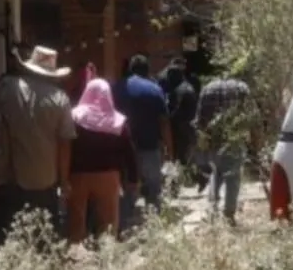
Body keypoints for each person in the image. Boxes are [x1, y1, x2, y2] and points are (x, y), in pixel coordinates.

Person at [0, 45, 75, 247]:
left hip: (10, 175)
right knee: (43, 238)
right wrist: (64, 181)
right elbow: (65, 144)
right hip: (45, 180)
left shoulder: (7, 87)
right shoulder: (60, 99)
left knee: (11, 234)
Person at [67, 78, 139, 243]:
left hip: (78, 175)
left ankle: (77, 259)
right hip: (109, 176)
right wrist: (133, 179)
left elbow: (66, 146)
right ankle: (106, 259)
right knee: (108, 224)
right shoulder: (118, 121)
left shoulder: (74, 117)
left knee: (77, 223)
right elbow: (129, 152)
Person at [115, 55, 172, 226]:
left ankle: (122, 225)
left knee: (126, 188)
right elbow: (164, 122)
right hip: (149, 147)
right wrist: (170, 149)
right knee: (153, 188)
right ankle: (154, 224)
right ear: (147, 70)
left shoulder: (116, 88)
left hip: (122, 149)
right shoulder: (154, 89)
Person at [194, 73, 254, 224]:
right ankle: (228, 214)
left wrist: (203, 139)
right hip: (234, 140)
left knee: (216, 173)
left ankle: (212, 210)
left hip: (214, 141)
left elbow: (200, 118)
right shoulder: (241, 88)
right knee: (233, 177)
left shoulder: (208, 89)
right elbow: (250, 115)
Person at [164, 63, 199, 182]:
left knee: (182, 154)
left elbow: (177, 111)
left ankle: (189, 179)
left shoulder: (180, 90)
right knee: (187, 154)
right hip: (188, 126)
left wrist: (166, 118)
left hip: (182, 127)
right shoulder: (186, 87)